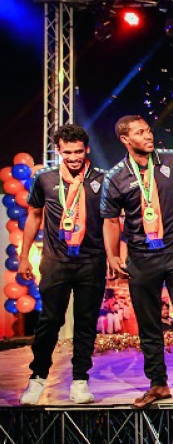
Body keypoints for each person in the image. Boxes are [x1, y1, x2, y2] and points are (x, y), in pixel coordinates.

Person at [101, 115, 173, 408]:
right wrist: (112, 255)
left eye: (148, 130)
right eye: (139, 133)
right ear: (125, 139)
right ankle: (158, 383)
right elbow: (110, 220)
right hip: (142, 256)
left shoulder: (171, 160)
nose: (148, 136)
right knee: (148, 323)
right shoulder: (115, 177)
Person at [19, 125, 107, 406]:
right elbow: (34, 215)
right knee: (49, 321)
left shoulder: (101, 179)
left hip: (91, 260)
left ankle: (80, 380)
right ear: (58, 151)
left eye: (78, 151)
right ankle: (37, 378)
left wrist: (115, 255)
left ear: (87, 149)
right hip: (56, 261)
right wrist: (24, 256)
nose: (73, 157)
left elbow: (112, 221)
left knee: (85, 323)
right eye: (67, 152)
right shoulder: (44, 179)